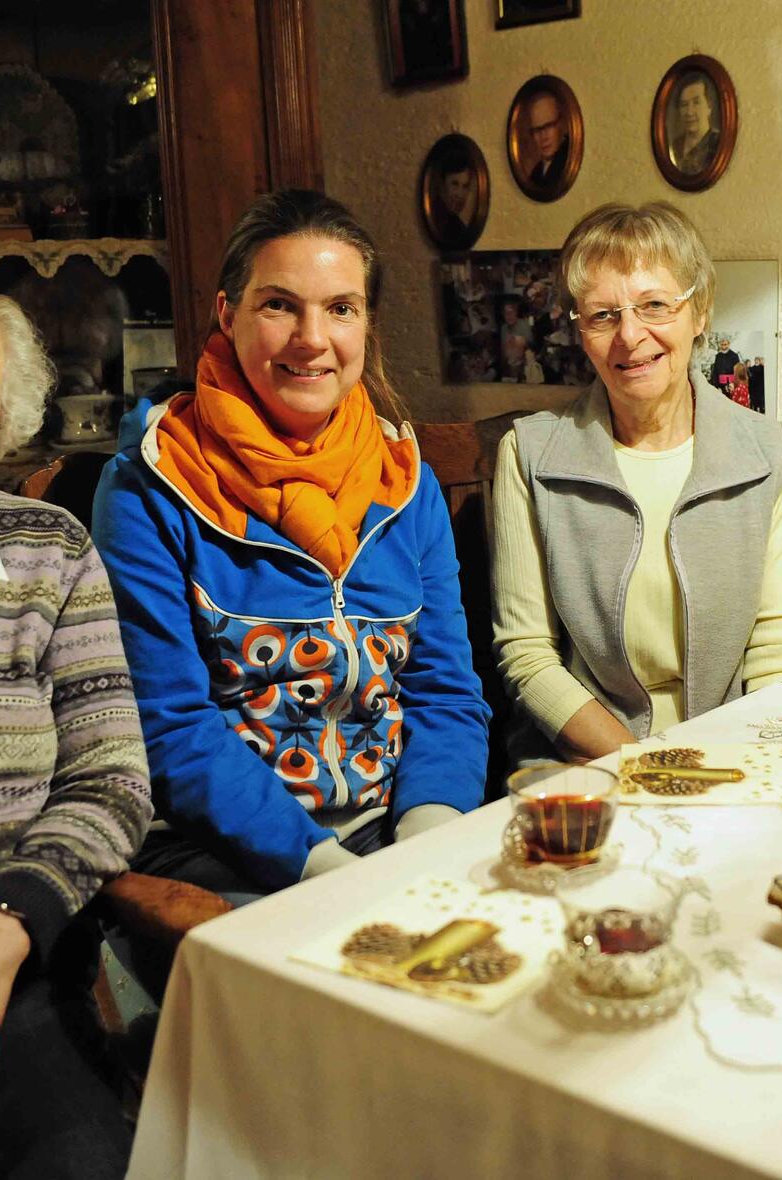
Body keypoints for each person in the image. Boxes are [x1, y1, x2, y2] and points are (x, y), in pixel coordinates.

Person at [92, 190, 488, 922]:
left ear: (366, 324)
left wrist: (428, 840)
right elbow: (172, 728)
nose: (312, 339)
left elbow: (446, 693)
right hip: (219, 856)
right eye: (279, 305)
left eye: (341, 309)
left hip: (395, 830)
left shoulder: (406, 482)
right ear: (227, 314)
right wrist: (330, 872)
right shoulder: (149, 487)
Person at [0, 262, 151, 1177]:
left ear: (0, 429)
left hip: (18, 970)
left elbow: (112, 782)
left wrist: (0, 922)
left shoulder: (49, 551)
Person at [491, 202, 782, 765]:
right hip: (582, 760)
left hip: (732, 755)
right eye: (602, 315)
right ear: (580, 332)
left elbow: (779, 652)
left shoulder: (771, 455)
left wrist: (750, 766)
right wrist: (652, 768)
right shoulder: (530, 455)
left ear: (700, 311)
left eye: (655, 305)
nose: (630, 335)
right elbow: (527, 657)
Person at [671, 74, 720, 175]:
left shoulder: (718, 144)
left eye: (696, 102)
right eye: (684, 105)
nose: (689, 112)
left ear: (709, 107)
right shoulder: (675, 145)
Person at [429, 151, 476, 249]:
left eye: (465, 186)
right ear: (441, 184)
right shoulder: (432, 216)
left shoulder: (458, 227)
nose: (459, 194)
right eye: (454, 184)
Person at [525, 89, 569, 189]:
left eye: (549, 126)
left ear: (561, 123)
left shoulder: (569, 160)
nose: (543, 136)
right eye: (537, 130)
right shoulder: (535, 175)